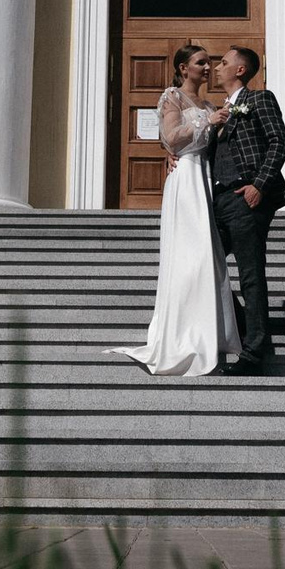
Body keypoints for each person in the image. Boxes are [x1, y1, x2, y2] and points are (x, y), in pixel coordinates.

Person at [109, 43, 238, 377]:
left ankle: (209, 334)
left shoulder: (209, 102)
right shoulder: (173, 97)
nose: (208, 68)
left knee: (207, 260)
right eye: (201, 63)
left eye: (210, 63)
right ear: (183, 68)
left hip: (206, 179)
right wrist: (207, 122)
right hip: (185, 183)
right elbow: (171, 137)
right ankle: (182, 336)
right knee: (189, 257)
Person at [206, 44, 285, 373]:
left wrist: (259, 185)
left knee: (250, 274)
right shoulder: (220, 110)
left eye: (224, 63)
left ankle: (255, 349)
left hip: (247, 197)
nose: (217, 67)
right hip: (218, 200)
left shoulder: (260, 99)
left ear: (240, 70)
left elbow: (279, 142)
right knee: (207, 267)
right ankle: (242, 331)